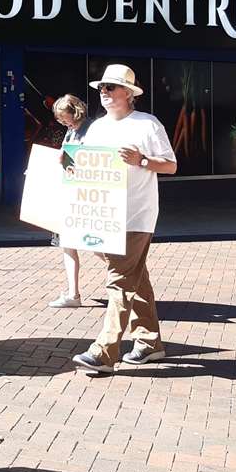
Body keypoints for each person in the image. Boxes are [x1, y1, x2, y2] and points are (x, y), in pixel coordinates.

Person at [71, 64, 178, 374]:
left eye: (111, 87)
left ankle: (104, 351)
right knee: (134, 276)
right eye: (102, 88)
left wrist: (141, 160)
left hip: (136, 214)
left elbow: (170, 166)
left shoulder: (147, 124)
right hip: (104, 215)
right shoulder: (97, 128)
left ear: (129, 93)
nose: (104, 93)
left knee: (119, 279)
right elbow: (85, 166)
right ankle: (149, 342)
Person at [47, 93, 90, 308]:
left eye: (65, 118)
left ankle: (129, 278)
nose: (63, 123)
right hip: (70, 191)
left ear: (76, 112)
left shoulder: (91, 130)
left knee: (99, 245)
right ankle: (74, 294)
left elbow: (92, 158)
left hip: (83, 194)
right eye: (60, 120)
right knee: (68, 243)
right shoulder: (72, 131)